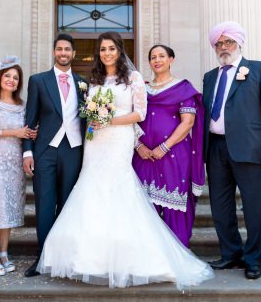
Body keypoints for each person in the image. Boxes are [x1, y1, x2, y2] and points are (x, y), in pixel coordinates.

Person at [37, 31, 214, 288]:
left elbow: (139, 113)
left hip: (119, 139)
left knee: (117, 189)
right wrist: (93, 123)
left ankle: (130, 258)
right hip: (94, 142)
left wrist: (109, 120)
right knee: (91, 188)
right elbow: (87, 112)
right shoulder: (94, 79)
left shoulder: (133, 78)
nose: (106, 53)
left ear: (120, 51)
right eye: (102, 49)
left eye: (111, 48)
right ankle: (87, 258)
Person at [202, 21, 261, 280]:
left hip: (250, 149)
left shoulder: (259, 69)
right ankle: (230, 255)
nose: (224, 47)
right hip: (215, 148)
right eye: (219, 43)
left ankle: (253, 259)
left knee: (254, 207)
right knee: (221, 206)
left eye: (229, 42)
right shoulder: (210, 77)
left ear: (239, 43)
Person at [21, 33, 86, 277]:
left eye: (67, 49)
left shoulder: (83, 83)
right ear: (54, 52)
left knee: (68, 204)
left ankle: (65, 256)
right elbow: (31, 118)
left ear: (74, 54)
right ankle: (42, 257)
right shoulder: (38, 81)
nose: (63, 53)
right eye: (59, 49)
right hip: (45, 150)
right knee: (45, 205)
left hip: (74, 150)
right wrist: (27, 151)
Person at [133, 44, 205, 249]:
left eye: (162, 56)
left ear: (171, 59)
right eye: (153, 57)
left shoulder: (182, 88)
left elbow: (188, 122)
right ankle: (148, 256)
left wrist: (164, 147)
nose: (157, 60)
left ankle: (176, 256)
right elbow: (132, 121)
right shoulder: (142, 89)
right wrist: (138, 146)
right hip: (144, 156)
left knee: (175, 206)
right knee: (144, 206)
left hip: (174, 155)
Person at [0, 56, 35, 276]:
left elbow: (26, 132)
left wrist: (31, 134)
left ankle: (4, 251)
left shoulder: (22, 106)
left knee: (11, 206)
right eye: (8, 76)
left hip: (14, 162)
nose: (11, 80)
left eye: (15, 77)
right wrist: (14, 132)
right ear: (0, 78)